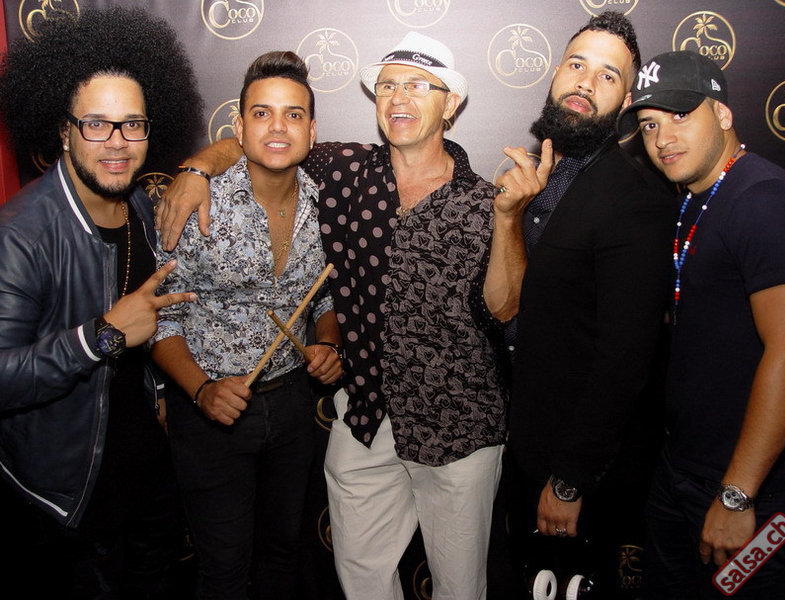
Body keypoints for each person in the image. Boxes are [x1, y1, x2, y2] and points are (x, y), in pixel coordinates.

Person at [155, 31, 541, 600]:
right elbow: (265, 140)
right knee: (359, 580)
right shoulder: (341, 170)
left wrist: (509, 220)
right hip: (366, 418)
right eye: (387, 86)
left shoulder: (484, 201)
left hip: (457, 425)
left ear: (451, 104)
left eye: (418, 86)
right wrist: (195, 169)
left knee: (460, 588)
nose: (399, 97)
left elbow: (505, 306)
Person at [0, 7, 202, 598]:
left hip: (147, 473)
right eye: (96, 124)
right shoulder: (21, 236)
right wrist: (102, 335)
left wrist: (159, 392)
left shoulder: (137, 202)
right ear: (64, 131)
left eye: (132, 124)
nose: (117, 142)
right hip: (70, 496)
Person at [150, 51, 343, 600]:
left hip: (292, 406)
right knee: (224, 571)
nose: (278, 127)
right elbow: (160, 316)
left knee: (283, 556)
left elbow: (323, 296)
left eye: (293, 114)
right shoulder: (197, 202)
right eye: (262, 113)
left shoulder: (327, 205)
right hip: (209, 412)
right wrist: (201, 391)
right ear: (238, 128)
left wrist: (328, 342)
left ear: (311, 130)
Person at [616, 50, 785, 599]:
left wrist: (738, 494)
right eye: (650, 124)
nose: (662, 138)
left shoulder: (763, 200)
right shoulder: (695, 199)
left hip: (756, 495)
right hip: (683, 473)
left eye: (680, 115)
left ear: (722, 113)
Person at [506, 11, 676, 597]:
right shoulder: (541, 177)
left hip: (580, 473)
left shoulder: (636, 194)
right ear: (555, 73)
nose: (585, 81)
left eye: (608, 75)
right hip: (526, 447)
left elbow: (624, 360)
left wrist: (571, 480)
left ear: (627, 100)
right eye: (577, 64)